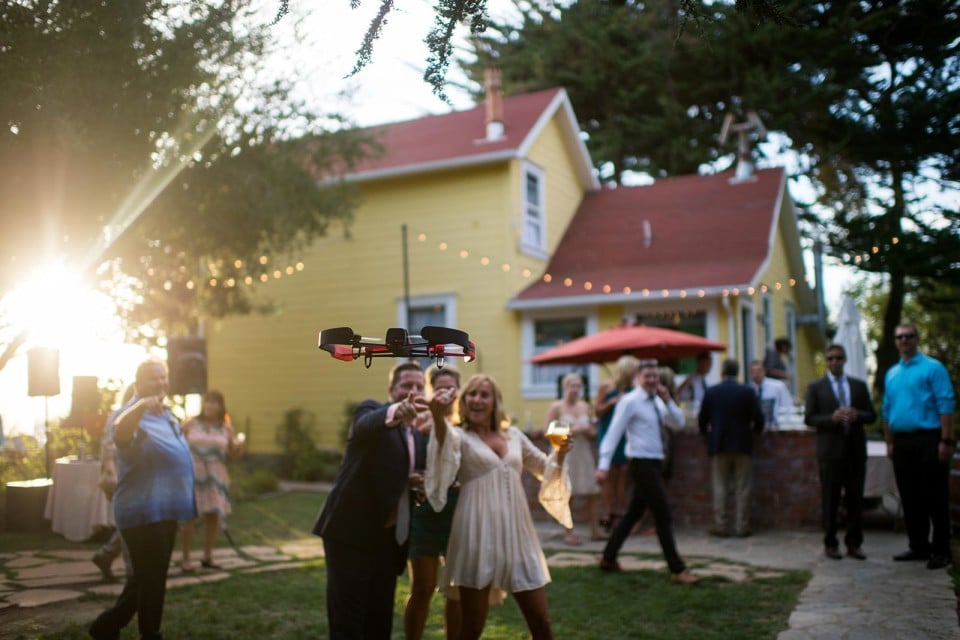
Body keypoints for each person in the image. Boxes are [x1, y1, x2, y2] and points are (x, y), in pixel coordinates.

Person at [425, 373, 572, 640]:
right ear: (463, 400)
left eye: (484, 394)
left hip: (518, 533)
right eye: (471, 394)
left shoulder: (513, 435)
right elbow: (443, 452)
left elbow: (543, 467)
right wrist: (438, 417)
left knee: (542, 622)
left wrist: (560, 452)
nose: (477, 400)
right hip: (476, 532)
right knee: (471, 628)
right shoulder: (458, 435)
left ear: (495, 402)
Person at [314, 361, 429, 639]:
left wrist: (416, 484)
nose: (412, 392)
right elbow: (366, 424)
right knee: (348, 622)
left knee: (379, 622)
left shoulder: (418, 436)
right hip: (350, 534)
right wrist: (395, 412)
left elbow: (397, 476)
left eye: (418, 386)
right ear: (391, 390)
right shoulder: (371, 412)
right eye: (405, 386)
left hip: (387, 539)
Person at [89, 359, 195, 640]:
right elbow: (122, 434)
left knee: (145, 577)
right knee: (152, 579)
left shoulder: (166, 414)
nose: (160, 383)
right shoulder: (128, 414)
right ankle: (150, 633)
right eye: (153, 379)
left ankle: (106, 627)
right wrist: (140, 406)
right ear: (138, 384)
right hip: (142, 510)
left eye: (164, 377)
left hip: (166, 508)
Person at [596, 362, 699, 584]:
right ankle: (677, 569)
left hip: (655, 462)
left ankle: (608, 557)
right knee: (663, 514)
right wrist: (604, 464)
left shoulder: (658, 402)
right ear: (638, 378)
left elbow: (678, 423)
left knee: (633, 513)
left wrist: (668, 399)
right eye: (647, 377)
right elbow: (614, 432)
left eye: (655, 376)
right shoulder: (630, 401)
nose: (652, 380)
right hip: (640, 463)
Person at [882, 324, 956, 570]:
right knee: (910, 495)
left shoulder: (933, 368)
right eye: (899, 336)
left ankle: (942, 550)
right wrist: (890, 442)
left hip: (929, 438)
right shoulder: (892, 373)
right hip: (902, 441)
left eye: (908, 336)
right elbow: (887, 410)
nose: (904, 340)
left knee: (935, 495)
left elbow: (946, 403)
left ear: (917, 338)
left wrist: (945, 440)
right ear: (895, 341)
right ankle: (918, 546)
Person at [404, 365, 462, 640]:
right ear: (430, 390)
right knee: (423, 588)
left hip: (459, 512)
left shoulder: (467, 425)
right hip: (425, 511)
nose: (445, 393)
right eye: (440, 388)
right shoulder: (417, 423)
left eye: (451, 388)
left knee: (456, 589)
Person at [804, 344, 876, 560]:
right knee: (830, 499)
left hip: (855, 451)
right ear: (825, 361)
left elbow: (872, 416)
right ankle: (831, 542)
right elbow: (809, 418)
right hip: (830, 452)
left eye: (838, 358)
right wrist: (831, 418)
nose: (834, 362)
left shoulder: (858, 386)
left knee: (855, 499)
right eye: (830, 358)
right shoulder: (816, 387)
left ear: (844, 360)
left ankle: (854, 543)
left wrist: (858, 415)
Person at [698, 359, 765, 538]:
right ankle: (741, 525)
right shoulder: (747, 391)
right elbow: (759, 418)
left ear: (722, 372)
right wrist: (755, 434)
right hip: (743, 444)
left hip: (719, 444)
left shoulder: (712, 392)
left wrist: (706, 436)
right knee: (742, 487)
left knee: (720, 486)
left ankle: (721, 525)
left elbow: (702, 419)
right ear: (737, 373)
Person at [180, 390, 243, 571]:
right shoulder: (191, 423)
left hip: (216, 475)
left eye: (215, 403)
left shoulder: (226, 427)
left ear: (221, 406)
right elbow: (176, 444)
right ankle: (185, 559)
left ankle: (208, 556)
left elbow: (233, 453)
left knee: (213, 515)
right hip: (193, 473)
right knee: (190, 516)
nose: (210, 406)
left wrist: (239, 447)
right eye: (208, 402)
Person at [544, 372, 605, 545]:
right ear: (565, 387)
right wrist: (574, 430)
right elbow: (548, 432)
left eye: (579, 386)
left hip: (583, 452)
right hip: (565, 454)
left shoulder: (586, 406)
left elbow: (593, 432)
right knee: (566, 492)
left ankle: (595, 529)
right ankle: (568, 532)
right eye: (572, 386)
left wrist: (589, 431)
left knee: (592, 491)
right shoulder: (557, 407)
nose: (575, 389)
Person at [91, 384, 137, 581]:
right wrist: (110, 472)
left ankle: (106, 555)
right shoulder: (120, 416)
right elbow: (108, 447)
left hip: (136, 476)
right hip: (123, 476)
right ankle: (132, 574)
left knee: (131, 521)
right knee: (130, 521)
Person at [594, 355, 639, 533]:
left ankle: (619, 512)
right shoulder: (607, 386)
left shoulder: (635, 389)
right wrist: (612, 402)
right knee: (609, 474)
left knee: (624, 473)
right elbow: (596, 410)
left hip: (626, 434)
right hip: (609, 432)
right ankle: (609, 512)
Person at [747, 360, 794, 427]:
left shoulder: (778, 386)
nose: (756, 374)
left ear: (764, 371)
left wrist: (786, 425)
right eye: (753, 372)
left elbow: (787, 405)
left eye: (758, 371)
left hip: (775, 427)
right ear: (749, 374)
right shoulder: (748, 390)